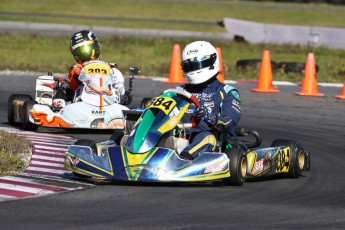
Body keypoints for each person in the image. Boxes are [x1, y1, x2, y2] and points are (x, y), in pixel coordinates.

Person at [177, 41, 241, 160]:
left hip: (211, 141)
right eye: (190, 66)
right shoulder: (178, 91)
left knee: (206, 137)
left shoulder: (226, 92)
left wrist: (212, 118)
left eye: (199, 65)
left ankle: (183, 160)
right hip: (179, 135)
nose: (194, 70)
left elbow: (229, 122)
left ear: (212, 62)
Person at [66, 30, 126, 105]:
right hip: (84, 105)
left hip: (109, 104)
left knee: (116, 73)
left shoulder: (111, 68)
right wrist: (76, 76)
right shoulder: (76, 69)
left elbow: (121, 91)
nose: (85, 53)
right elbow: (72, 86)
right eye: (79, 51)